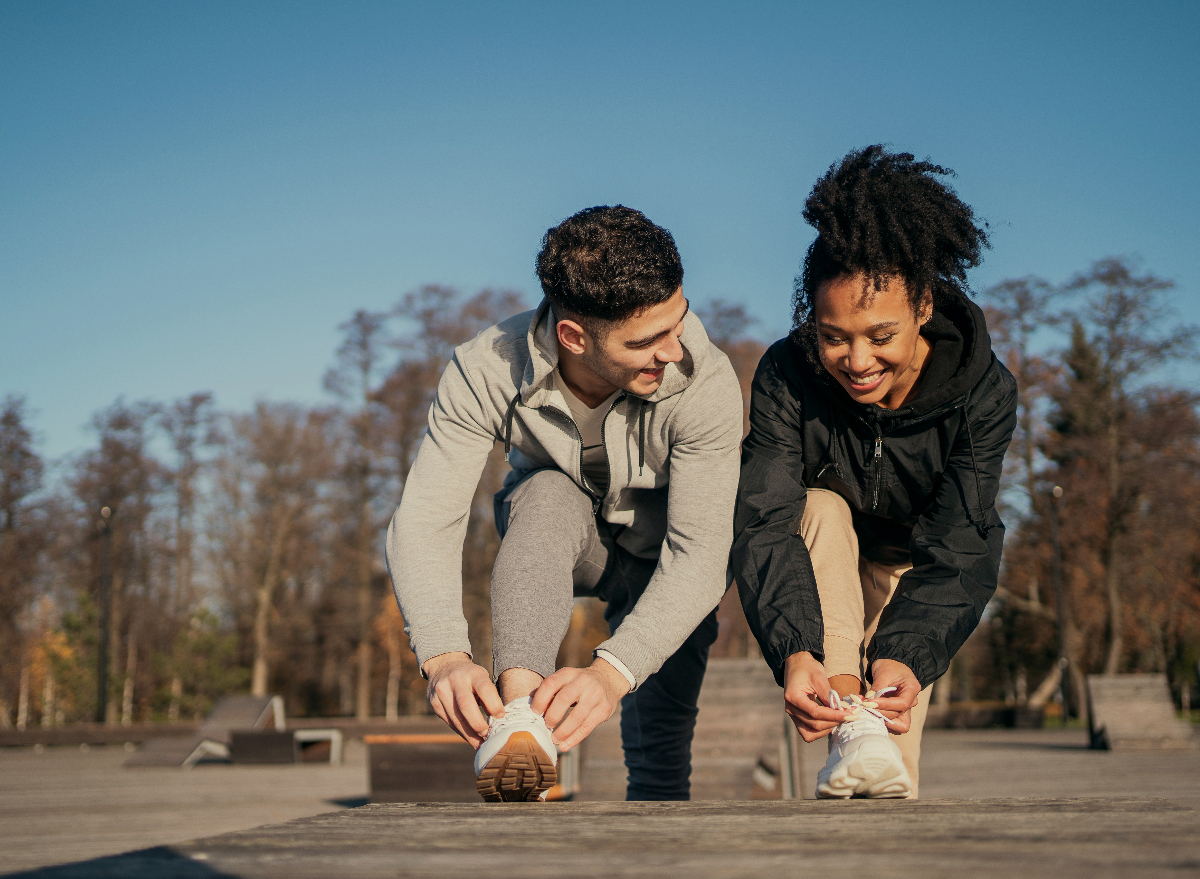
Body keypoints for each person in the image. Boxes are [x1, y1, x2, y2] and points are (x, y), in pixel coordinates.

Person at [386, 205, 743, 802]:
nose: (673, 352)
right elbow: (426, 518)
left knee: (660, 773)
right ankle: (520, 717)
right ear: (573, 336)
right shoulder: (485, 368)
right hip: (562, 541)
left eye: (677, 324)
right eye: (646, 341)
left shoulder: (704, 380)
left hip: (666, 564)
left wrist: (612, 673)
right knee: (548, 494)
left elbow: (703, 552)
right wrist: (444, 654)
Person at [732, 146, 1017, 798]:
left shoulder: (983, 393)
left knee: (891, 772)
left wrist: (908, 653)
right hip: (819, 550)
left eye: (879, 335)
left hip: (905, 565)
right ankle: (847, 720)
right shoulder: (787, 374)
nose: (856, 360)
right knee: (821, 506)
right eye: (834, 336)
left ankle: (872, 754)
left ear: (923, 305)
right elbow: (766, 516)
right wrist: (794, 650)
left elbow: (962, 538)